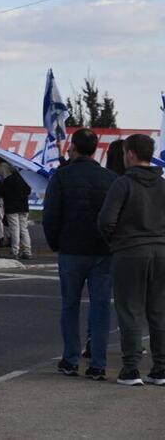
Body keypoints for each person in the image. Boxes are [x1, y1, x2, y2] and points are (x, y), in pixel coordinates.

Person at [43, 127, 117, 380]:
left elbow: (51, 215)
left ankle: (71, 359)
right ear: (96, 149)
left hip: (71, 249)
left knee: (70, 306)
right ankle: (98, 363)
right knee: (100, 308)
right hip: (102, 251)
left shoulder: (61, 177)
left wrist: (56, 244)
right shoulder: (110, 178)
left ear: (72, 147)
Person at [98, 133, 165, 386]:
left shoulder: (123, 184)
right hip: (161, 250)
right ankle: (160, 368)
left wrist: (116, 242)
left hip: (130, 250)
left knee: (130, 310)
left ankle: (130, 369)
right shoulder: (163, 184)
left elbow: (106, 220)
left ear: (131, 154)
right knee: (158, 311)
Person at [0, 163, 32, 259]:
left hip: (12, 208)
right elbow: (28, 191)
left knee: (15, 229)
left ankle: (15, 251)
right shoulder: (25, 180)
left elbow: (2, 191)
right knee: (24, 229)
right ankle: (27, 251)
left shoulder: (8, 180)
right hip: (23, 207)